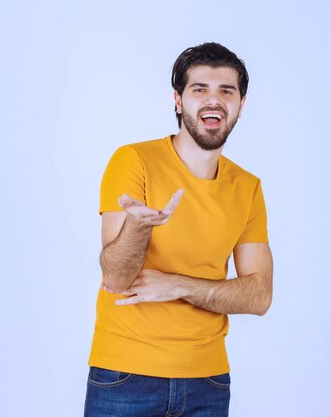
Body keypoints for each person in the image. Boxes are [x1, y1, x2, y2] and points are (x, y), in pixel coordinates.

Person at [84, 42, 273, 417]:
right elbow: (117, 277)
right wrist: (138, 226)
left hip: (209, 382)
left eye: (226, 91)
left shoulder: (247, 187)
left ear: (241, 104)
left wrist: (179, 285)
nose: (213, 99)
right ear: (178, 100)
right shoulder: (133, 160)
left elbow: (259, 295)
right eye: (199, 89)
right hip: (125, 374)